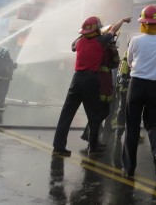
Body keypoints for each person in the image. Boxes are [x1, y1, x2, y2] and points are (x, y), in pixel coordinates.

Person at [52, 15, 131, 157]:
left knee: (66, 114)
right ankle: (93, 148)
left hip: (76, 80)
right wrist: (123, 21)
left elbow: (73, 45)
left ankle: (58, 146)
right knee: (94, 116)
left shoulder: (80, 43)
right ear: (97, 30)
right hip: (91, 80)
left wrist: (83, 34)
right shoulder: (101, 41)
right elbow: (113, 30)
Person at [121, 4, 156, 178]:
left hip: (137, 86)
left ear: (143, 23)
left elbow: (129, 61)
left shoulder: (135, 40)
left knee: (132, 126)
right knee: (154, 124)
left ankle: (129, 169)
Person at [114, 53, 131, 138]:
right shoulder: (133, 60)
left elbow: (119, 76)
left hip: (122, 88)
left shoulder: (123, 61)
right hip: (130, 89)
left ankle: (118, 133)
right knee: (132, 110)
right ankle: (132, 134)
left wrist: (118, 88)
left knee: (122, 109)